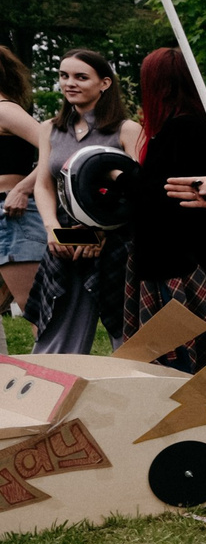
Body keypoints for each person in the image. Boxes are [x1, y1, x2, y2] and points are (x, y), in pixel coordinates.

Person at [114, 50, 206, 371]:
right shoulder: (190, 125)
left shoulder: (182, 128)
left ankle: (191, 414)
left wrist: (117, 177)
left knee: (179, 353)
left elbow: (161, 192)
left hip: (177, 259)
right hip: (186, 254)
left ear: (159, 84)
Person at [27, 48, 144, 356]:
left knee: (128, 332)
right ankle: (50, 396)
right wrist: (52, 227)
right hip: (63, 236)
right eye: (64, 76)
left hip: (117, 240)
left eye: (81, 77)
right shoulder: (50, 128)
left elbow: (137, 190)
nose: (70, 83)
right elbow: (43, 183)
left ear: (104, 83)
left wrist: (101, 231)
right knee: (55, 326)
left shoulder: (126, 129)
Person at [0, 47, 47, 330]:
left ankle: (56, 372)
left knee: (35, 309)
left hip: (12, 214)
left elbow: (57, 149)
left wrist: (25, 188)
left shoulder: (5, 110)